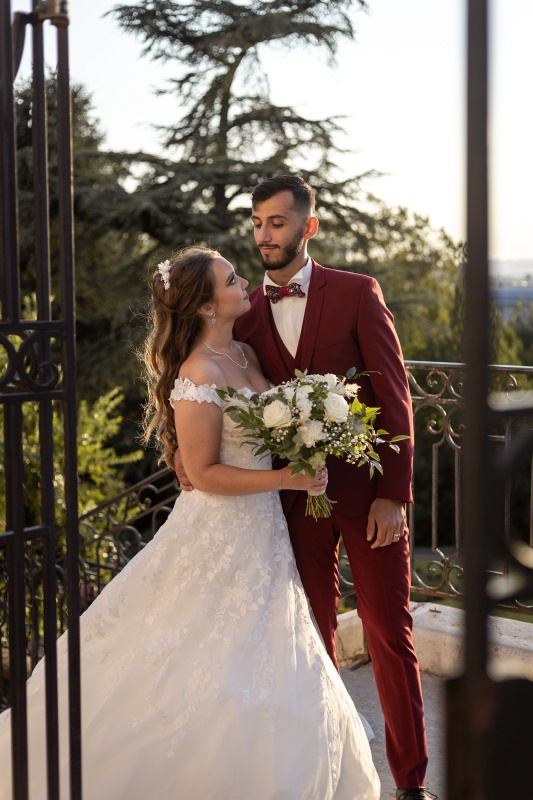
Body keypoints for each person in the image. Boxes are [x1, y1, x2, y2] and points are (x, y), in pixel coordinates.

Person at [0, 246, 379, 800]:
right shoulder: (198, 371)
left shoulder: (247, 352)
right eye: (231, 278)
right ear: (206, 306)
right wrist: (285, 480)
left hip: (263, 532)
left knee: (272, 649)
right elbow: (202, 472)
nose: (243, 280)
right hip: (220, 529)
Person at [174, 177, 437, 800]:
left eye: (278, 223)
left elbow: (395, 398)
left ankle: (411, 783)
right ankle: (324, 770)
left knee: (388, 633)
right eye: (258, 223)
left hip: (368, 496)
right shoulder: (243, 315)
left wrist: (394, 494)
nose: (265, 235)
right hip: (289, 504)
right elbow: (208, 390)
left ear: (307, 227)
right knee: (308, 636)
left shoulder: (356, 293)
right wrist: (185, 457)